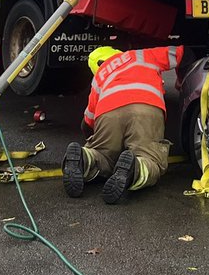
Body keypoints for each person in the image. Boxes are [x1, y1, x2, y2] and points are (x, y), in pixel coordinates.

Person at [63, 44, 185, 204]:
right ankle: (135, 166)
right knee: (150, 158)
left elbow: (87, 122)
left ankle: (84, 158)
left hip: (108, 112)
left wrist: (94, 143)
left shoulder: (100, 76)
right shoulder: (141, 54)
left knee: (103, 157)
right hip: (146, 107)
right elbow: (182, 53)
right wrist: (183, 80)